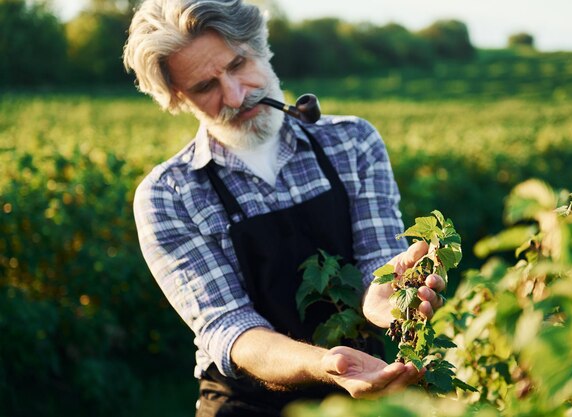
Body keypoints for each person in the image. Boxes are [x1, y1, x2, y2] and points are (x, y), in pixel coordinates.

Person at [123, 1, 446, 415]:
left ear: (261, 45)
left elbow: (376, 259)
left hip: (369, 390)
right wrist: (326, 364)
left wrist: (386, 298)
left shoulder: (352, 143)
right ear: (179, 98)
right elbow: (231, 328)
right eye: (206, 87)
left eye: (239, 64)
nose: (236, 96)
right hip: (247, 404)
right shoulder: (170, 195)